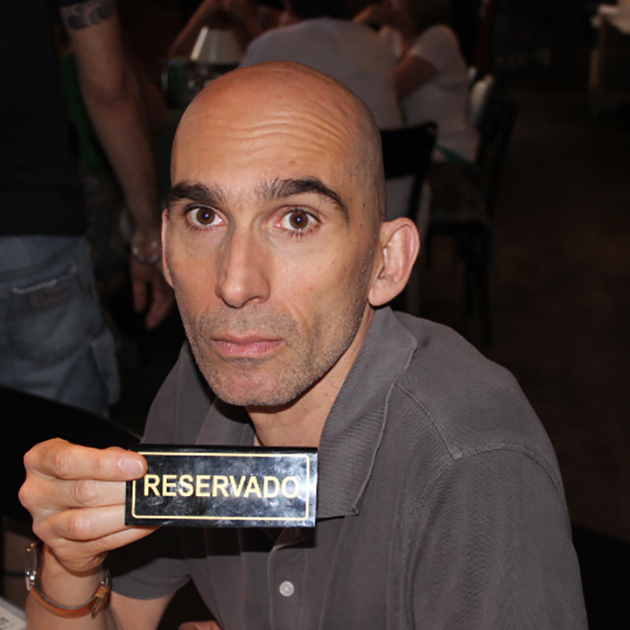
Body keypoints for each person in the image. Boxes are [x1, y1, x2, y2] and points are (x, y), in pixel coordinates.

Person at [19, 62, 587, 629]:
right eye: (205, 216)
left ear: (386, 263)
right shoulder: (203, 382)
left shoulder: (472, 460)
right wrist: (69, 564)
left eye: (296, 219)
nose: (234, 283)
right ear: (166, 249)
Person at [0, 0, 174, 415]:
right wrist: (149, 235)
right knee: (58, 434)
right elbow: (110, 90)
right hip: (29, 226)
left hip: (31, 224)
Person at [239, 0, 418, 224]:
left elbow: (235, 111)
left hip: (320, 209)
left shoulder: (273, 43)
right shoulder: (374, 42)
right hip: (398, 195)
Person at [358, 0, 479, 163]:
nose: (386, 5)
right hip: (410, 145)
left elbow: (391, 90)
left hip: (444, 147)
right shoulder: (390, 35)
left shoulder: (440, 37)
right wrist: (362, 21)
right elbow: (354, 65)